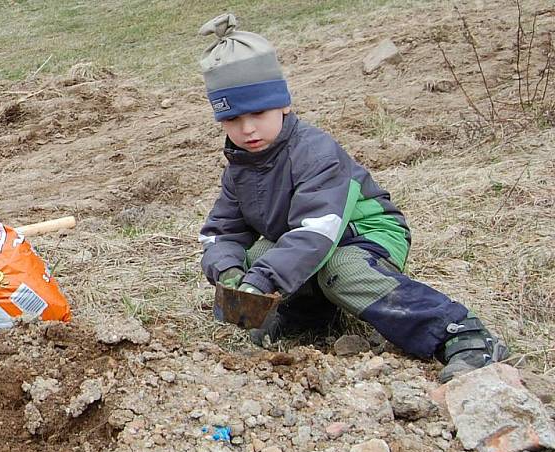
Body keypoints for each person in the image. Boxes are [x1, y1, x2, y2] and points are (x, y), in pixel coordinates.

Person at [196, 13, 507, 383]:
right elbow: (222, 232)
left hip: (368, 235)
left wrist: (263, 280)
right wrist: (229, 273)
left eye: (258, 113)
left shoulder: (315, 152)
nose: (247, 130)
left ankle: (460, 334)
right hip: (312, 241)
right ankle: (309, 315)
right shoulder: (239, 167)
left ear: (283, 104)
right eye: (233, 120)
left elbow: (318, 232)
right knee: (258, 256)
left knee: (340, 270)